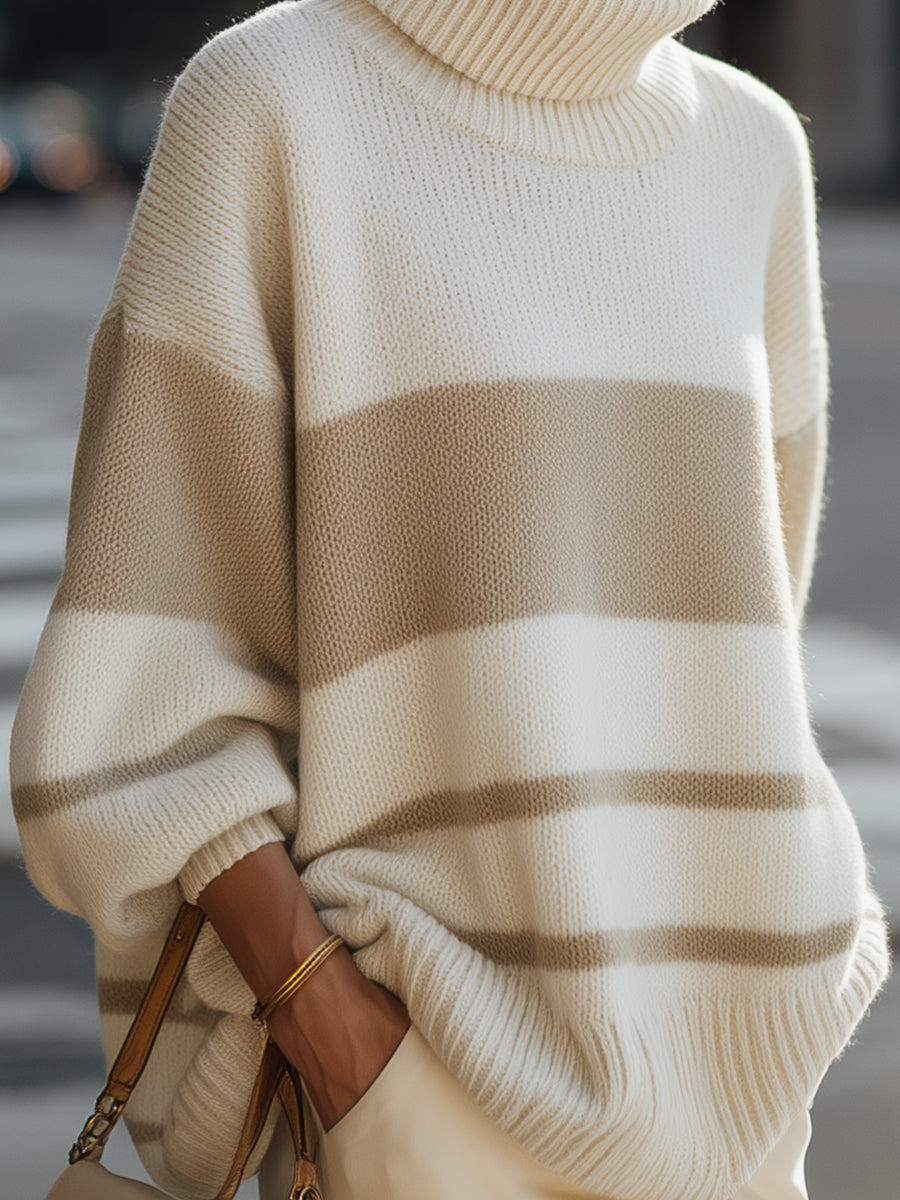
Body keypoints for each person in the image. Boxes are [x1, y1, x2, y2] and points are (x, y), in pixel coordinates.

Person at [9, 0, 891, 1198]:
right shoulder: (276, 100)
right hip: (422, 1098)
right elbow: (140, 696)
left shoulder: (754, 149)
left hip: (745, 1101)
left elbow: (743, 642)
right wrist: (332, 1027)